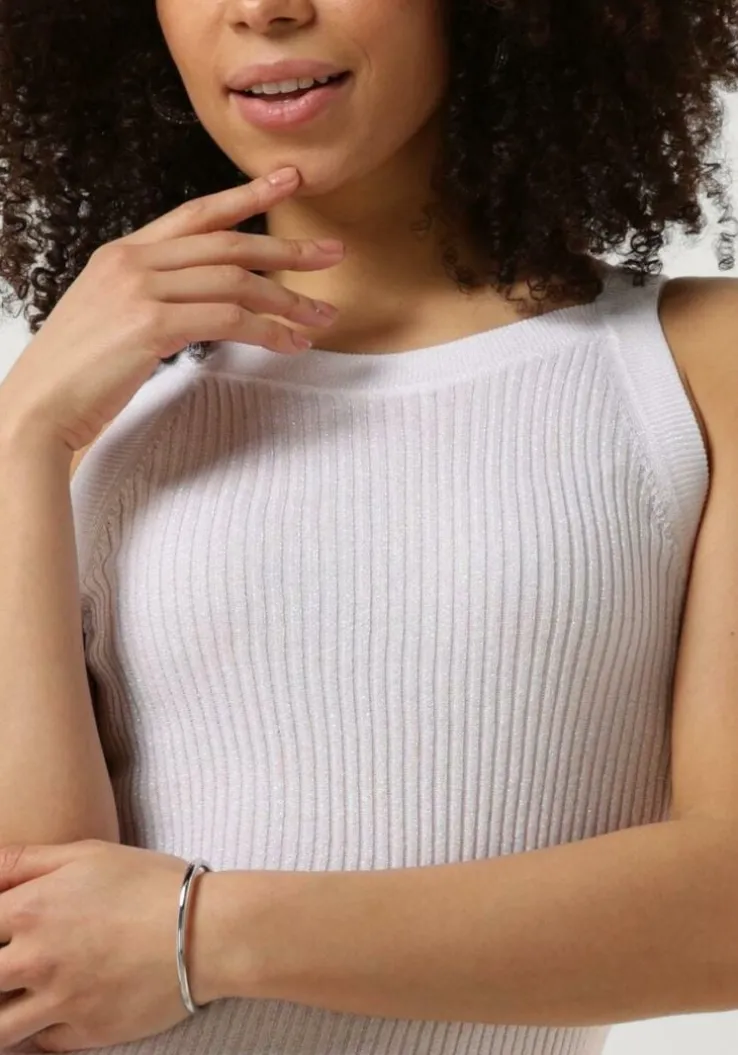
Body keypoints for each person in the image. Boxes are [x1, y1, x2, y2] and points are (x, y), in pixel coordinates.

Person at [1, 0, 738, 1052]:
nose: (262, 8)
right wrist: (22, 438)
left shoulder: (692, 370)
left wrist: (206, 934)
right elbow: (33, 966)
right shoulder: (82, 415)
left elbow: (725, 908)